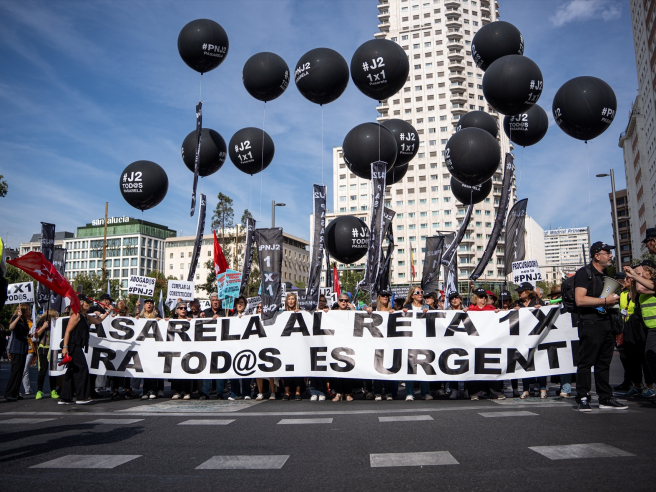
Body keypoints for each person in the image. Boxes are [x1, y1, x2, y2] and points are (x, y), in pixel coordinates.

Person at [573, 241, 628, 411]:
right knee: (586, 362)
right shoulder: (584, 273)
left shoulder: (604, 274)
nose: (611, 256)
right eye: (607, 253)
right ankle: (583, 397)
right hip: (590, 323)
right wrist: (605, 301)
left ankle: (605, 397)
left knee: (604, 363)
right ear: (597, 256)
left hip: (606, 323)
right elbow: (580, 300)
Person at [59, 294, 111, 405]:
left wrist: (108, 312)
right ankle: (81, 397)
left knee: (72, 370)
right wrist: (65, 347)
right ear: (81, 303)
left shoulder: (85, 316)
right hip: (73, 346)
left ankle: (65, 397)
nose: (89, 304)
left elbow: (98, 321)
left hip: (77, 345)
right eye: (87, 302)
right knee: (82, 370)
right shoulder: (76, 315)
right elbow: (67, 332)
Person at [625, 261, 656, 399]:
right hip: (645, 325)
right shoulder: (640, 284)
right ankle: (638, 385)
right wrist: (633, 281)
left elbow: (641, 289)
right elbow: (633, 297)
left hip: (651, 327)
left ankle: (650, 386)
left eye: (641, 273)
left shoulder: (652, 284)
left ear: (649, 271)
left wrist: (635, 276)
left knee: (649, 356)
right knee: (637, 356)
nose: (638, 275)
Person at [403, 286, 431, 400]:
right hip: (410, 341)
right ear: (412, 295)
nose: (420, 294)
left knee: (424, 366)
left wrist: (429, 312)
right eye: (417, 292)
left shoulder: (426, 306)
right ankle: (409, 393)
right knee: (410, 367)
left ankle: (426, 392)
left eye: (421, 292)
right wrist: (401, 313)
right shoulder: (407, 307)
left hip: (424, 341)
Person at [330, 294, 358, 401]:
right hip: (336, 343)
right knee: (337, 368)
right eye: (341, 300)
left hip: (348, 343)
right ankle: (338, 392)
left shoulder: (351, 312)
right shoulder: (333, 313)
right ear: (338, 301)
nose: (343, 302)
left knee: (348, 367)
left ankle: (347, 392)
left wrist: (353, 309)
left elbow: (357, 321)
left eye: (345, 301)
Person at [4, 304, 31, 401]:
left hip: (23, 348)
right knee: (15, 371)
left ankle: (15, 392)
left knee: (20, 372)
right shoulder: (16, 318)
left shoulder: (25, 321)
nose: (29, 311)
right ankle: (9, 393)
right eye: (27, 310)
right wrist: (18, 317)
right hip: (16, 349)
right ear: (23, 310)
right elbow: (11, 327)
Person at [169, 302, 194, 400]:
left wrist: (192, 321)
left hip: (187, 350)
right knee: (176, 369)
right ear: (177, 310)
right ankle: (177, 391)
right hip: (175, 349)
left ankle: (187, 391)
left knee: (186, 369)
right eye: (181, 308)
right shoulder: (172, 321)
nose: (183, 309)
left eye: (185, 308)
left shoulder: (191, 320)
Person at [35, 310, 60, 400]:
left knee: (52, 370)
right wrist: (43, 327)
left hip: (53, 348)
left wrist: (57, 321)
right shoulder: (41, 322)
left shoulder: (56, 322)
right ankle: (39, 391)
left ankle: (53, 390)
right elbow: (36, 335)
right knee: (43, 370)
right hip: (43, 347)